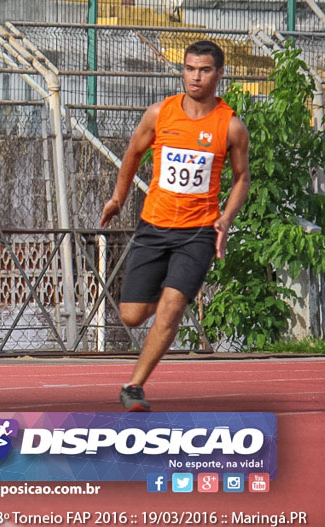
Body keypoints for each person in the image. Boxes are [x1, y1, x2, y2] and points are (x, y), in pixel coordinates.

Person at [98, 40, 250, 412]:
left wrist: (225, 219)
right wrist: (117, 199)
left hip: (198, 232)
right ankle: (164, 292)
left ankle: (134, 386)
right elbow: (133, 152)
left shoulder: (230, 127)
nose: (195, 76)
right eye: (189, 68)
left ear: (219, 73)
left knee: (171, 307)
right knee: (132, 315)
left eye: (205, 70)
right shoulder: (159, 114)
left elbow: (242, 178)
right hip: (154, 226)